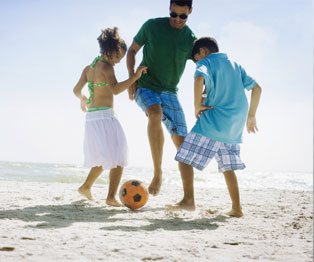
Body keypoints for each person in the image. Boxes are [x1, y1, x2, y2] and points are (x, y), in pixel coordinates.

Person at [172, 37, 262, 217]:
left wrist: (197, 105)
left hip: (214, 121)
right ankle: (237, 208)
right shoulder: (235, 64)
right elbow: (257, 88)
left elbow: (198, 79)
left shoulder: (206, 62)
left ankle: (189, 201)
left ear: (204, 52)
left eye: (197, 58)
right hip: (234, 125)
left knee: (184, 157)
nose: (198, 61)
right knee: (228, 167)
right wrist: (251, 115)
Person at [126, 0, 197, 195]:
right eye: (173, 14)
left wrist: (206, 93)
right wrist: (132, 77)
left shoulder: (190, 39)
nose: (177, 19)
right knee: (155, 114)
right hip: (146, 85)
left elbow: (205, 65)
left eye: (182, 16)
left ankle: (188, 199)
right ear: (169, 9)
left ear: (190, 11)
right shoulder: (152, 26)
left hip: (170, 92)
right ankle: (157, 173)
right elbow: (131, 50)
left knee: (182, 143)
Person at [73, 27, 147, 206]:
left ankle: (86, 187)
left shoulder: (88, 68)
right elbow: (115, 89)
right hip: (105, 117)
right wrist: (135, 76)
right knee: (119, 155)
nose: (119, 62)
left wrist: (83, 99)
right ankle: (111, 197)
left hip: (91, 118)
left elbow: (76, 90)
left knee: (104, 157)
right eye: (119, 57)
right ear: (111, 51)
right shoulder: (106, 67)